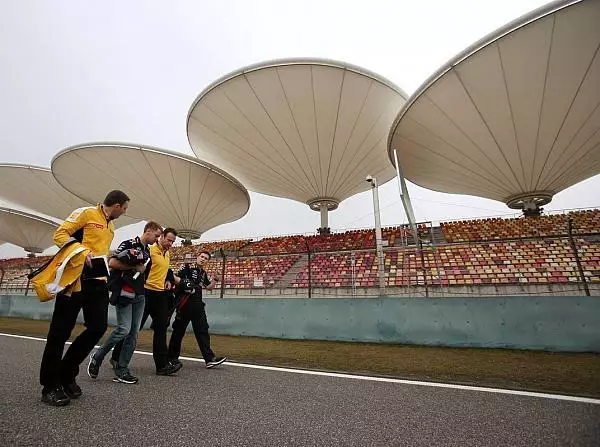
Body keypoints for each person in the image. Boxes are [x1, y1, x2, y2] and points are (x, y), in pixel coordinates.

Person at [39, 190, 129, 406]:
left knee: (97, 327)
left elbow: (100, 250)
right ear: (115, 205)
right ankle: (49, 386)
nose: (125, 212)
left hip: (97, 282)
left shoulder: (111, 226)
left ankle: (66, 372)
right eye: (124, 208)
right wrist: (81, 252)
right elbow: (60, 234)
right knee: (60, 333)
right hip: (74, 280)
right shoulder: (86, 213)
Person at [87, 221, 163, 384]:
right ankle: (98, 356)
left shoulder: (147, 250)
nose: (157, 239)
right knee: (123, 330)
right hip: (125, 292)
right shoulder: (129, 243)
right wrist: (134, 268)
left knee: (133, 333)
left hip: (139, 294)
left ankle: (122, 369)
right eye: (156, 235)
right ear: (148, 231)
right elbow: (112, 263)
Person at [111, 227, 181, 376]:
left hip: (161, 295)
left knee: (161, 328)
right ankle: (116, 357)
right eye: (169, 240)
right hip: (145, 293)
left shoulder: (167, 253)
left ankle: (162, 366)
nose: (170, 244)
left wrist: (169, 280)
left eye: (173, 242)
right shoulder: (150, 251)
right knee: (133, 330)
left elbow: (166, 271)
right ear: (160, 237)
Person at [168, 251, 227, 369]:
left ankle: (210, 359)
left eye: (206, 258)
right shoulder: (187, 267)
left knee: (203, 331)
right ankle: (171, 358)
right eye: (202, 257)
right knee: (178, 332)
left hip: (198, 306)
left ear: (207, 262)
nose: (203, 259)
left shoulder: (203, 273)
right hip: (185, 304)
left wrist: (215, 279)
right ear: (197, 257)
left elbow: (209, 287)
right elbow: (175, 279)